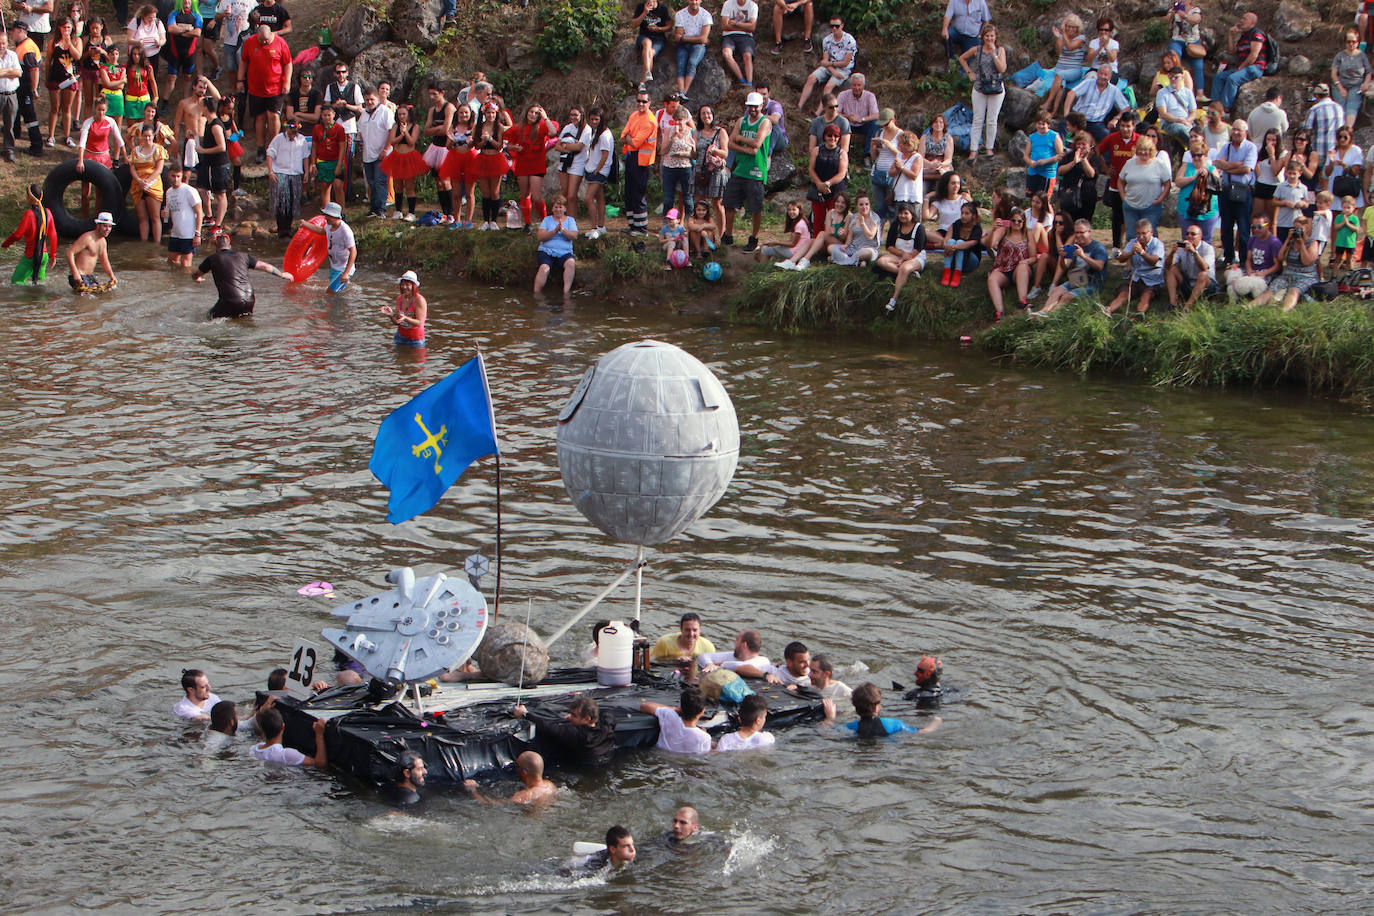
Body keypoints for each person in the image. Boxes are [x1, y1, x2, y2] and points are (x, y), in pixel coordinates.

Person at [193, 231, 292, 318]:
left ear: (216, 246)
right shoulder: (244, 256)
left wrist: (197, 278)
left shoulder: (212, 258)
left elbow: (196, 274)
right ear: (230, 245)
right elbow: (265, 267)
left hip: (230, 301)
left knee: (207, 317)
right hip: (249, 301)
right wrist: (282, 275)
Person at [721, 91, 771, 252]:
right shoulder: (741, 121)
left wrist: (741, 139)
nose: (753, 109)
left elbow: (757, 143)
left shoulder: (765, 122)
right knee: (728, 203)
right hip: (740, 168)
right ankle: (728, 235)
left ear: (761, 106)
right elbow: (730, 143)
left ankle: (754, 238)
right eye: (750, 106)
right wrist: (747, 149)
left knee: (756, 207)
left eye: (755, 106)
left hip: (756, 171)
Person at [512, 696, 615, 767]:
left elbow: (548, 727)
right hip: (606, 761)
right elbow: (608, 713)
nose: (570, 717)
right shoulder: (606, 727)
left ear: (587, 719)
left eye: (574, 715)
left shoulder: (576, 734)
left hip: (584, 768)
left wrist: (525, 714)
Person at [238, 23, 291, 159]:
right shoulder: (250, 42)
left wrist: (287, 81)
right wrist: (239, 80)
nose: (264, 43)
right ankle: (261, 148)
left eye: (266, 41)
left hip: (275, 88)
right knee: (260, 117)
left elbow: (288, 63)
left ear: (271, 35)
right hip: (256, 88)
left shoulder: (280, 43)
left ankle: (275, 146)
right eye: (261, 41)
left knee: (273, 116)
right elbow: (244, 61)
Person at [1036, 218, 1109, 315]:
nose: (1078, 235)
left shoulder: (1098, 247)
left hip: (1093, 283)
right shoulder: (1074, 247)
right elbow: (1064, 266)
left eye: (1081, 232)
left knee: (1067, 296)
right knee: (1056, 290)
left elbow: (1099, 266)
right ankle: (1043, 312)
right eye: (1076, 232)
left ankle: (1051, 316)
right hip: (1076, 280)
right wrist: (1062, 257)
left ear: (1089, 232)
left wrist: (1083, 256)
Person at [1213, 118, 1257, 267]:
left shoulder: (1251, 148)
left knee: (1243, 227)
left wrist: (1227, 167)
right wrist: (1236, 165)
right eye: (1234, 129)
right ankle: (1228, 257)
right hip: (1226, 190)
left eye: (1239, 130)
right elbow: (1218, 163)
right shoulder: (1226, 147)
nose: (1236, 132)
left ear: (1246, 132)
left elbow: (1247, 169)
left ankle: (1244, 260)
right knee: (1226, 226)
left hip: (1242, 190)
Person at [1252, 215, 1320, 310]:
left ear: (1307, 229)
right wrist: (1288, 239)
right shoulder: (1291, 242)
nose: (1297, 231)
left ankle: (1284, 311)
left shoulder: (1313, 243)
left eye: (1299, 228)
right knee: (1270, 290)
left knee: (1294, 291)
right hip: (1288, 274)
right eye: (1295, 228)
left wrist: (1302, 245)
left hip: (1305, 275)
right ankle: (1250, 306)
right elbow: (1280, 257)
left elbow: (1307, 262)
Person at [824, 682, 941, 737]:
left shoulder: (849, 727)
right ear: (877, 706)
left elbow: (826, 733)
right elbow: (922, 732)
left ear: (855, 706)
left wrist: (830, 718)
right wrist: (935, 723)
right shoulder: (894, 724)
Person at [959, 22, 1005, 159]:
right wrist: (969, 72)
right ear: (983, 36)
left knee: (992, 120)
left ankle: (989, 148)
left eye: (992, 36)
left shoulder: (1000, 50)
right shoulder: (976, 49)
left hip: (996, 87)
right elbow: (962, 58)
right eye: (987, 36)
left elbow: (1002, 68)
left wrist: (993, 54)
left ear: (995, 37)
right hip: (980, 87)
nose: (989, 39)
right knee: (978, 118)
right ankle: (973, 150)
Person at [1208, 11, 1267, 114]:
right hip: (1244, 68)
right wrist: (1230, 35)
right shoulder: (1244, 36)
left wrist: (1241, 68)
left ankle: (1225, 109)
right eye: (1242, 18)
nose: (1241, 20)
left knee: (1232, 79)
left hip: (1255, 67)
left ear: (1252, 22)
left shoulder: (1256, 34)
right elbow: (1231, 51)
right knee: (1219, 77)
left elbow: (1254, 55)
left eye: (1245, 19)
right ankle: (1215, 106)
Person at [1097, 112, 1139, 253]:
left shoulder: (1140, 140)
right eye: (1122, 126)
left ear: (1133, 126)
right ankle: (1116, 246)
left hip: (1134, 187)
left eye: (1128, 126)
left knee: (1132, 216)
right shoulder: (1112, 138)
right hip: (1115, 185)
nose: (1125, 129)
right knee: (1117, 216)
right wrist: (1105, 167)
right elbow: (1098, 151)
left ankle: (1132, 244)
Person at [1106, 218, 1166, 315]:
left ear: (1151, 232)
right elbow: (1122, 259)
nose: (1140, 237)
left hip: (1152, 280)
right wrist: (1131, 253)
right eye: (1138, 233)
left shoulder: (1158, 244)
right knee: (1123, 294)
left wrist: (1142, 252)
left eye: (1143, 233)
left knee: (1146, 296)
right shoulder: (1133, 242)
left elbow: (1153, 261)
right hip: (1135, 278)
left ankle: (1139, 314)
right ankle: (1108, 310)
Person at [798, 16, 856, 115]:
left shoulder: (849, 40)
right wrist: (833, 70)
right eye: (832, 26)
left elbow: (845, 62)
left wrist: (830, 65)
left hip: (844, 68)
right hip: (830, 67)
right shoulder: (827, 40)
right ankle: (799, 106)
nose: (834, 29)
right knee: (811, 78)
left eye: (836, 26)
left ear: (842, 26)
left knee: (828, 86)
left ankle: (818, 112)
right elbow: (825, 61)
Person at [876, 200, 927, 313]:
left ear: (912, 214)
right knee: (881, 261)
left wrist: (905, 259)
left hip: (916, 258)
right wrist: (902, 255)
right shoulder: (895, 225)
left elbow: (918, 249)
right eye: (900, 213)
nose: (902, 216)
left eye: (906, 213)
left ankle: (893, 299)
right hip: (899, 255)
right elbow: (889, 246)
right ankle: (909, 275)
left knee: (905, 267)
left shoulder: (919, 228)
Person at [2, 184, 57, 284]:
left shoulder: (29, 214)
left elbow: (17, 235)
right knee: (39, 284)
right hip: (44, 256)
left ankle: (27, 299)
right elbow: (53, 235)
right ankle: (40, 299)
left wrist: (6, 244)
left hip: (31, 256)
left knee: (16, 282)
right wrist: (53, 255)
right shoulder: (47, 212)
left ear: (29, 198)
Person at [987, 207, 1036, 318]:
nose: (1016, 223)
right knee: (992, 279)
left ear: (1024, 222)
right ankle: (1000, 312)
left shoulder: (1028, 234)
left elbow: (1034, 257)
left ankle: (1022, 301)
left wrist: (1025, 261)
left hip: (1020, 270)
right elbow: (990, 245)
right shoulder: (1003, 230)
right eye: (1013, 220)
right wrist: (993, 230)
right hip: (1003, 268)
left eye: (1019, 221)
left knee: (1022, 267)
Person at [321, 60, 362, 195]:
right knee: (333, 158)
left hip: (349, 126)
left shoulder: (354, 87)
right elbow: (326, 106)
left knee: (348, 159)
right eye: (338, 72)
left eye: (343, 72)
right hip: (335, 126)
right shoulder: (330, 87)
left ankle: (346, 191)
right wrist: (335, 106)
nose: (341, 75)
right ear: (334, 74)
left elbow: (360, 108)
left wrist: (346, 105)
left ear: (347, 73)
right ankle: (333, 190)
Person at [621, 89, 657, 237]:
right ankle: (632, 225)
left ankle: (642, 229)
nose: (641, 104)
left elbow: (635, 142)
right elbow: (623, 136)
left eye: (644, 101)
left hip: (642, 160)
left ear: (649, 103)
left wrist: (629, 138)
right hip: (631, 156)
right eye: (639, 101)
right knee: (629, 193)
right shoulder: (634, 115)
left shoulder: (650, 121)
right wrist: (629, 138)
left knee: (638, 193)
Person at [381, 104, 426, 221]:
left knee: (409, 186)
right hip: (396, 157)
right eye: (399, 114)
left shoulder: (414, 126)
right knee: (398, 186)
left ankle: (411, 212)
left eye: (404, 114)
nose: (401, 116)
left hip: (409, 157)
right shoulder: (396, 126)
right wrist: (401, 134)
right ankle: (398, 210)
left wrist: (405, 132)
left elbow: (412, 142)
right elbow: (392, 141)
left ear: (408, 114)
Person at [266, 117, 309, 237]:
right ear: (287, 129)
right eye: (291, 132)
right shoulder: (278, 139)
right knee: (281, 203)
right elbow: (270, 154)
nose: (293, 135)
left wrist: (306, 172)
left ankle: (288, 228)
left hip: (295, 174)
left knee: (292, 202)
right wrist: (270, 172)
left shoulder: (302, 140)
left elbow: (305, 156)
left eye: (295, 132)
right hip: (281, 173)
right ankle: (281, 229)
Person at [1118, 136, 1171, 232]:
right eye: (1141, 149)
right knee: (1131, 235)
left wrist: (1160, 199)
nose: (1143, 152)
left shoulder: (1159, 164)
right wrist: (1123, 197)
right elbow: (1120, 181)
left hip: (1151, 207)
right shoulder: (1129, 163)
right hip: (1130, 206)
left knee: (1148, 234)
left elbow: (1167, 183)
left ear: (1151, 150)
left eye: (1146, 149)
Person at [463, 751, 559, 804]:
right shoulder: (550, 785)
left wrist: (473, 790)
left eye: (517, 766)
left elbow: (490, 805)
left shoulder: (525, 796)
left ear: (524, 772)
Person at [300, 201, 355, 291]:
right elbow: (322, 231)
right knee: (334, 294)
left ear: (335, 216)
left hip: (343, 268)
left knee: (330, 293)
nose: (325, 218)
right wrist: (306, 224)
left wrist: (346, 273)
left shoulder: (345, 231)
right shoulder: (329, 226)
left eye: (328, 215)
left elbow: (353, 252)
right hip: (334, 266)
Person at [639, 685, 711, 754]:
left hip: (661, 755)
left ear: (681, 706)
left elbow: (644, 706)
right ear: (702, 711)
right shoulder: (704, 737)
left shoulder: (669, 715)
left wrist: (674, 709)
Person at [1177, 132, 1220, 243]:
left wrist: (1207, 175)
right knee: (1187, 239)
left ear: (1205, 155)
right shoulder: (1186, 166)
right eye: (1193, 155)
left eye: (1199, 155)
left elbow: (1218, 186)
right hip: (1186, 209)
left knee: (1205, 240)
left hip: (1207, 211)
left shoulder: (1211, 169)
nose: (1196, 158)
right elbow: (1178, 182)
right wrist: (1193, 177)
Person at [9, 22, 43, 157]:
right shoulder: (24, 45)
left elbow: (34, 70)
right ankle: (15, 131)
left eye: (13, 31)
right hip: (22, 87)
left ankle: (36, 145)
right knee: (17, 110)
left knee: (30, 117)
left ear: (20, 31)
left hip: (26, 88)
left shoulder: (27, 49)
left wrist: (34, 89)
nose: (11, 34)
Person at [195, 94, 229, 228]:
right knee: (202, 188)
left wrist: (203, 151)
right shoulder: (208, 123)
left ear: (205, 107)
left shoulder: (216, 125)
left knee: (220, 194)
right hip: (209, 164)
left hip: (219, 165)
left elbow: (222, 147)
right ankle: (209, 216)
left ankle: (218, 225)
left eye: (201, 106)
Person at [252, 706, 328, 767]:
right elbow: (319, 763)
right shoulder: (287, 755)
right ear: (283, 726)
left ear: (262, 728)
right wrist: (319, 734)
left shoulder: (253, 750)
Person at [1042, 14, 1086, 117]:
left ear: (1077, 28)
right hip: (1061, 67)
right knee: (1060, 86)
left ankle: (1048, 102)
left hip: (1074, 69)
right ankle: (1054, 111)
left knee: (1059, 76)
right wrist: (1058, 38)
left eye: (1073, 27)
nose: (1070, 29)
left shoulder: (1081, 38)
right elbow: (1058, 51)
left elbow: (1070, 47)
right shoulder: (1063, 37)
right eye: (1068, 26)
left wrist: (1064, 34)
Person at [1165, 224, 1217, 309]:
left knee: (1203, 274)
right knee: (1172, 269)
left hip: (1206, 287)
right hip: (1189, 284)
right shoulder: (1182, 248)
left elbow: (1204, 267)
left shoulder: (1208, 248)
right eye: (1187, 234)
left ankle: (1187, 307)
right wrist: (1172, 253)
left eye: (1193, 234)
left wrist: (1194, 252)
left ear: (1200, 236)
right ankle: (1172, 304)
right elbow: (1167, 265)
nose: (1189, 236)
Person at [534, 193, 578, 296]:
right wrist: (554, 231)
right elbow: (540, 236)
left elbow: (574, 236)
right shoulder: (547, 220)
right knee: (544, 268)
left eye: (560, 207)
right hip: (547, 251)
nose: (558, 209)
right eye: (556, 207)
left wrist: (562, 230)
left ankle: (566, 292)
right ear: (552, 209)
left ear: (565, 208)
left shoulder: (570, 220)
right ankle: (536, 293)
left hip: (564, 253)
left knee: (571, 264)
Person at [581, 107, 614, 238]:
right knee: (599, 197)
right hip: (593, 168)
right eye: (592, 119)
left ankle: (594, 227)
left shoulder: (605, 135)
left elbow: (605, 155)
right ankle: (601, 227)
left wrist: (597, 170)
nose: (594, 121)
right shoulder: (597, 132)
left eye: (596, 119)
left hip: (599, 171)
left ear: (601, 119)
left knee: (588, 198)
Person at [65, 211, 117, 292]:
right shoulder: (87, 238)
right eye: (105, 226)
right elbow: (69, 253)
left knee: (101, 294)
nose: (108, 229)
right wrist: (75, 273)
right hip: (78, 275)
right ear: (98, 225)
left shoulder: (103, 242)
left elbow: (104, 261)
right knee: (87, 300)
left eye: (110, 226)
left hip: (89, 277)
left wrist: (112, 276)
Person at [162, 165, 202, 267]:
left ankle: (188, 282)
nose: (176, 179)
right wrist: (165, 214)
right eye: (173, 176)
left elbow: (199, 212)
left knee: (185, 265)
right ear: (168, 176)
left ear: (182, 176)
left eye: (178, 176)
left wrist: (197, 234)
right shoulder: (169, 192)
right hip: (175, 233)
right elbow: (172, 211)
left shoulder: (189, 191)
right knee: (171, 262)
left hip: (188, 234)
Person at [1057, 131, 1099, 225]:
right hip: (1069, 193)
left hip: (1087, 194)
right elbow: (1060, 171)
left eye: (1083, 144)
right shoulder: (1069, 156)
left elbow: (1091, 174)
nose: (1080, 146)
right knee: (1069, 222)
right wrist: (1074, 162)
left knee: (1085, 221)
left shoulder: (1094, 158)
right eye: (1078, 144)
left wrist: (1084, 159)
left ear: (1089, 145)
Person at [673, 0, 712, 102]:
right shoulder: (680, 14)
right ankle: (681, 91)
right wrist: (697, 38)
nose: (694, 2)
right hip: (683, 45)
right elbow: (677, 37)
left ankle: (684, 92)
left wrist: (684, 38)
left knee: (692, 63)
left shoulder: (706, 15)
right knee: (681, 65)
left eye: (696, 0)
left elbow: (703, 38)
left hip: (698, 46)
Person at [163, 0, 201, 103]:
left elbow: (197, 32)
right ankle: (165, 101)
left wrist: (179, 29)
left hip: (189, 53)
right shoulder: (173, 14)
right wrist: (188, 29)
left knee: (187, 77)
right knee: (171, 77)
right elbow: (171, 29)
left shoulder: (196, 16)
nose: (186, 1)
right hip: (175, 52)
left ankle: (185, 101)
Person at [941, 200, 982, 287]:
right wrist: (946, 246)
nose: (963, 216)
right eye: (962, 213)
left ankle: (957, 273)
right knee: (951, 241)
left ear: (973, 215)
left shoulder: (977, 228)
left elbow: (970, 244)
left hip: (970, 260)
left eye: (967, 214)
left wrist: (953, 247)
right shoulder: (956, 224)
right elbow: (946, 239)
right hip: (954, 258)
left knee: (960, 243)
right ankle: (947, 271)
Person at [379, 269, 426, 345]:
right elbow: (397, 322)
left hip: (415, 340)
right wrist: (391, 315)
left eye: (408, 285)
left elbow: (419, 323)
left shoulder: (419, 300)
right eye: (402, 284)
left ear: (414, 286)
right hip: (400, 337)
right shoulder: (400, 298)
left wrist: (405, 318)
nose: (404, 287)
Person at [631, 0, 671, 86]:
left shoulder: (663, 8)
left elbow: (669, 27)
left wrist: (658, 29)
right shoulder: (641, 6)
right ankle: (648, 71)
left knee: (651, 52)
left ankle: (643, 83)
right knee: (647, 43)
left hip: (658, 38)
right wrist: (645, 12)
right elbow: (633, 25)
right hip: (644, 36)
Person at [697, 629, 770, 675]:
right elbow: (703, 656)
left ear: (744, 645)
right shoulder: (734, 656)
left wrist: (722, 664)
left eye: (737, 640)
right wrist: (709, 664)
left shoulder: (763, 661)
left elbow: (742, 666)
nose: (734, 642)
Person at [1024, 110, 1064, 195]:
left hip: (1047, 173)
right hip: (1033, 172)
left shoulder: (1054, 136)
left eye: (1043, 124)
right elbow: (1026, 156)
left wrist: (1045, 161)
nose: (1041, 126)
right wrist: (1030, 162)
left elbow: (1060, 155)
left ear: (1048, 124)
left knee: (1044, 200)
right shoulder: (1032, 137)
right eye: (1039, 124)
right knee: (1032, 199)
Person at [651, 612, 717, 663]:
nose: (691, 634)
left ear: (700, 630)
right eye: (687, 630)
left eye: (695, 630)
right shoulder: (664, 643)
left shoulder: (708, 647)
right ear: (681, 629)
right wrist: (674, 660)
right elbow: (653, 662)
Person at [719, 0, 757, 88]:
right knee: (726, 54)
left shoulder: (752, 6)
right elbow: (724, 26)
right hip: (729, 35)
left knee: (747, 55)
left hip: (746, 36)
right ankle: (741, 79)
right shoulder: (728, 3)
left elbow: (752, 27)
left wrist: (736, 23)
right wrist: (745, 26)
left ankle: (749, 82)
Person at [1168, 0, 1205, 88]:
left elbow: (1195, 20)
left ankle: (1200, 92)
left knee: (1198, 66)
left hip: (1193, 42)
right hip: (1177, 40)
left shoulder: (1195, 10)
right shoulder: (1175, 9)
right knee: (1174, 58)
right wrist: (1171, 14)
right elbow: (1166, 20)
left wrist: (1184, 15)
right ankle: (1177, 86)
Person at [1154, 68, 1195, 146]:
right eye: (1170, 77)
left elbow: (1193, 112)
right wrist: (1179, 120)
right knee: (1182, 129)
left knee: (1198, 132)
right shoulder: (1162, 92)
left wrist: (1187, 121)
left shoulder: (1188, 92)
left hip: (1186, 122)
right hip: (1170, 123)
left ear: (1182, 78)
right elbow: (1163, 113)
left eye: (1176, 77)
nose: (1173, 79)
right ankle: (1193, 149)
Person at [1245, 213, 1282, 284]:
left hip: (1268, 273)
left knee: (1254, 284)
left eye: (1259, 227)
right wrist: (1249, 269)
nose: (1256, 229)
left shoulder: (1274, 242)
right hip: (1254, 271)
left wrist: (1265, 273)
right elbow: (1248, 259)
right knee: (1230, 275)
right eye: (1254, 226)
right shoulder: (1252, 239)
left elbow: (1278, 265)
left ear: (1267, 226)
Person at [1333, 195, 1359, 271]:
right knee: (1337, 260)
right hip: (1340, 242)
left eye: (1348, 208)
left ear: (1353, 207)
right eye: (1344, 207)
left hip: (1350, 243)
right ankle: (1334, 277)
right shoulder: (1339, 217)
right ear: (1341, 207)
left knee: (1349, 260)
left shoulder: (1354, 218)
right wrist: (1343, 223)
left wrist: (1347, 223)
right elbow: (1336, 227)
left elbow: (1357, 229)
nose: (1346, 210)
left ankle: (1350, 276)